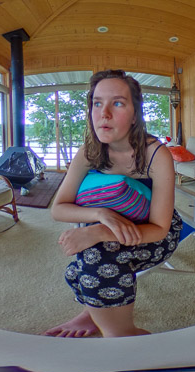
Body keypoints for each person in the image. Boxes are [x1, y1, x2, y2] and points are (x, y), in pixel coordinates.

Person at [44, 70, 181, 338]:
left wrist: (99, 231)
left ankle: (121, 335)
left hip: (152, 234)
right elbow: (58, 209)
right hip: (109, 227)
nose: (104, 113)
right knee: (80, 269)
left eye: (117, 103)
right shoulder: (88, 153)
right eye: (97, 103)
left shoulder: (156, 154)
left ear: (135, 114)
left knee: (94, 256)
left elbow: (160, 229)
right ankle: (94, 313)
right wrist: (101, 214)